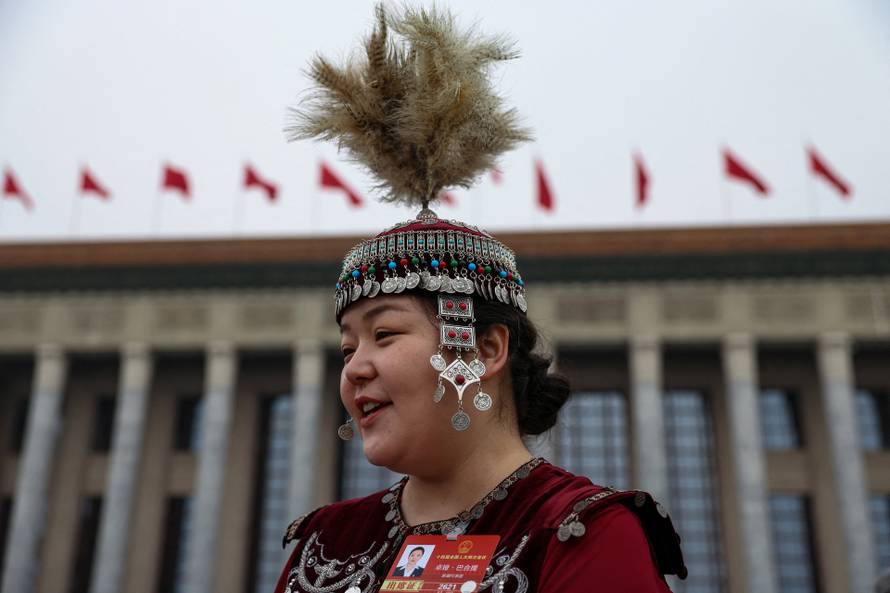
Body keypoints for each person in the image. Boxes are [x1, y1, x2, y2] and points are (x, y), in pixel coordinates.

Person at [275, 5, 686, 593]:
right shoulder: (326, 543)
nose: (354, 368)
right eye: (346, 347)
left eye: (384, 334)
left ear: (486, 347)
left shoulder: (576, 531)